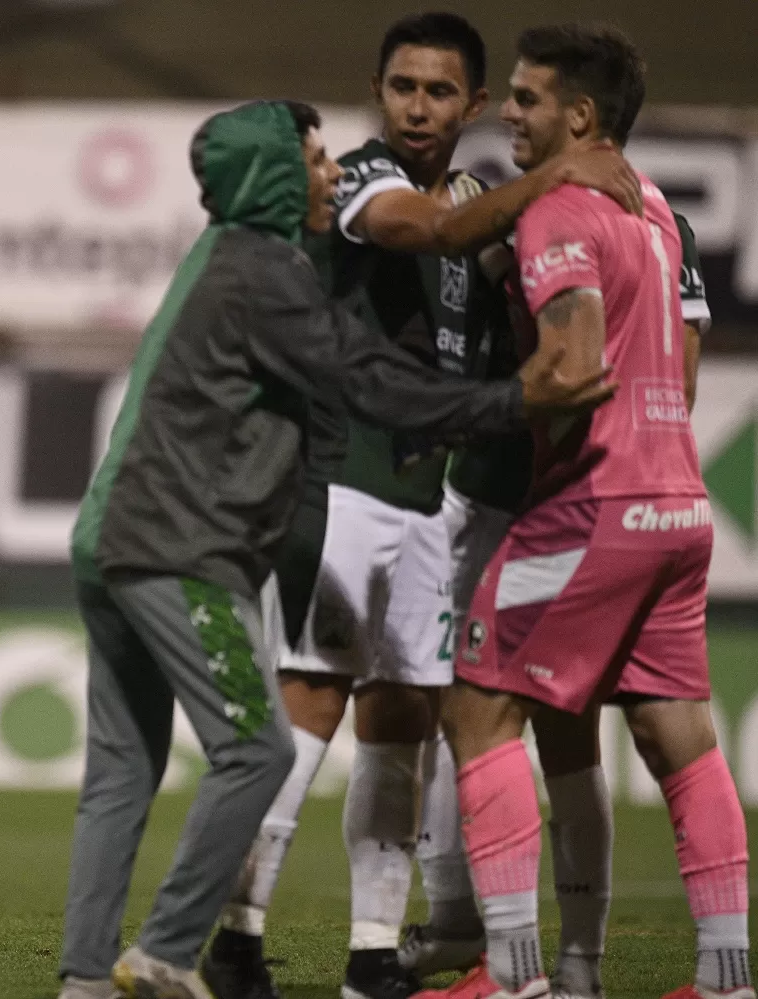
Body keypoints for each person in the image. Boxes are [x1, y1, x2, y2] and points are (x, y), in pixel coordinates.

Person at [57, 98, 613, 999]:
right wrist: (515, 402)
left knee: (122, 770)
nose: (332, 173)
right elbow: (364, 377)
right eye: (315, 161)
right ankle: (168, 950)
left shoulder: (224, 259)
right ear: (275, 177)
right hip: (176, 547)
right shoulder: (263, 271)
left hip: (112, 535)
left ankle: (85, 980)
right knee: (258, 751)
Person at [202, 15, 641, 999]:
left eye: (440, 92)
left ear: (472, 105)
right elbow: (428, 231)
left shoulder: (484, 200)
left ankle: (370, 955)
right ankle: (234, 937)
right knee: (309, 706)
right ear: (378, 90)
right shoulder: (364, 180)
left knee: (400, 715)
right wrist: (562, 174)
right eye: (402, 86)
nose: (417, 107)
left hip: (421, 501)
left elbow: (515, 277)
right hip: (338, 481)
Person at [420, 23, 751, 999]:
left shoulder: (559, 210)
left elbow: (569, 363)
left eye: (525, 99)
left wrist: (497, 421)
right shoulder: (653, 205)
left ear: (581, 116)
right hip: (677, 502)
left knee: (477, 711)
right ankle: (729, 976)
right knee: (677, 740)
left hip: (591, 505)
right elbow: (680, 372)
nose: (508, 113)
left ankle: (514, 976)